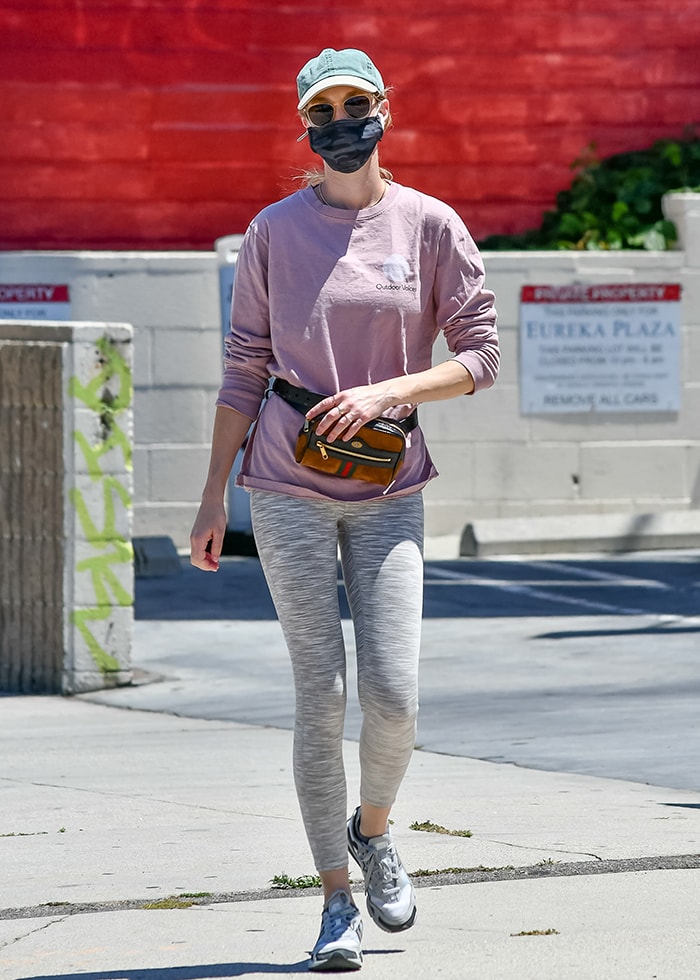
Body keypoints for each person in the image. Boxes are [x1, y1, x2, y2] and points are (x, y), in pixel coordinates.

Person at [190, 46, 499, 972]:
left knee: (395, 697)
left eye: (354, 104)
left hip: (388, 489)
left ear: (384, 111)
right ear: (304, 126)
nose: (339, 122)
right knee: (320, 696)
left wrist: (385, 392)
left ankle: (373, 832)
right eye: (321, 110)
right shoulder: (274, 231)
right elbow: (245, 363)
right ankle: (334, 902)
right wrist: (213, 491)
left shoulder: (429, 225)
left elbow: (479, 354)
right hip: (284, 484)